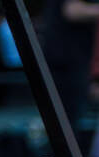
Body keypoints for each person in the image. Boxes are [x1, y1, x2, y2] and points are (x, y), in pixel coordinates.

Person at [42, 0, 99, 137]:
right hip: (66, 62)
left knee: (67, 121)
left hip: (69, 61)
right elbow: (72, 11)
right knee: (66, 122)